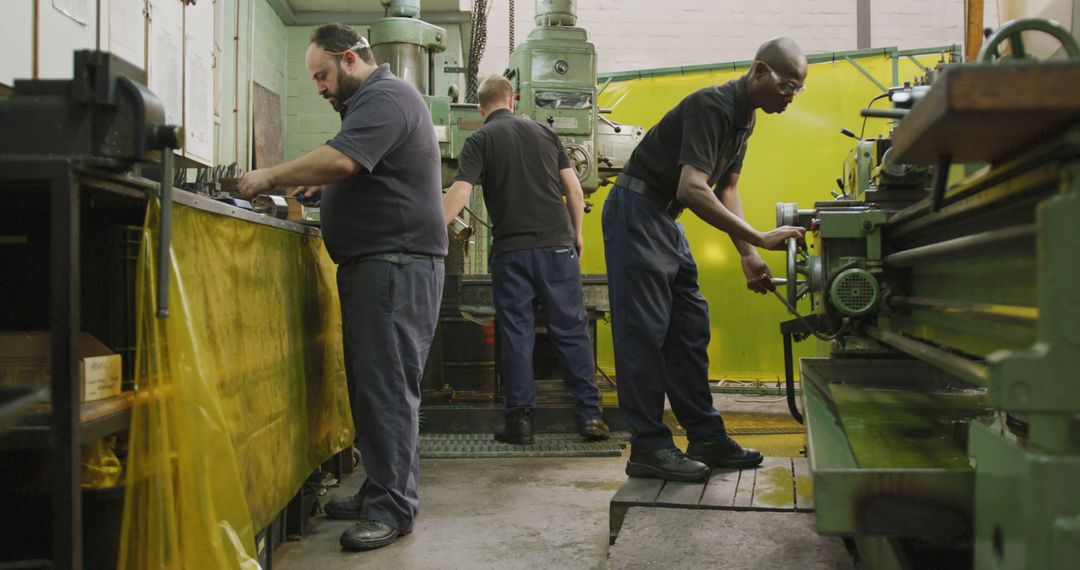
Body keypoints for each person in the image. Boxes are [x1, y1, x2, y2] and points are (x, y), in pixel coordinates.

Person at [239, 23, 446, 551]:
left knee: (387, 390)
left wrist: (271, 177)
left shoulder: (386, 96)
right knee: (370, 387)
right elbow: (354, 170)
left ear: (351, 58)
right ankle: (382, 485)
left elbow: (341, 159)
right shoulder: (372, 102)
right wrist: (326, 190)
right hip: (378, 266)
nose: (320, 88)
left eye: (322, 75)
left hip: (395, 266)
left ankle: (394, 507)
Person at [601, 37, 808, 482]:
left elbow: (727, 188)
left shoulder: (745, 119)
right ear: (758, 71)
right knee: (645, 335)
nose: (790, 97)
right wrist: (761, 236)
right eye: (787, 85)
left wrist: (749, 255)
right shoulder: (711, 106)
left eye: (798, 90)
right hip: (638, 211)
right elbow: (692, 187)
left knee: (690, 327)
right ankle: (649, 447)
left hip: (663, 220)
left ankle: (706, 437)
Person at [443, 75, 611, 445]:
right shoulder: (545, 134)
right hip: (557, 247)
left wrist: (430, 227)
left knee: (516, 333)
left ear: (481, 108)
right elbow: (573, 189)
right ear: (513, 100)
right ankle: (589, 417)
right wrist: (576, 235)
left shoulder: (480, 139)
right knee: (570, 329)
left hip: (512, 252)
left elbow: (460, 191)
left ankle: (519, 421)